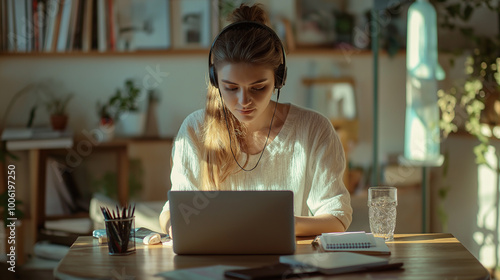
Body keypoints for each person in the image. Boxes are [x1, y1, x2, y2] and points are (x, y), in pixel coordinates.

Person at [160, 3, 352, 237]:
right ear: (214, 80)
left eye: (258, 87)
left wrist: (282, 223)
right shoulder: (194, 129)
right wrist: (174, 227)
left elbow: (337, 216)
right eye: (230, 88)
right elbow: (173, 212)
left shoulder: (314, 129)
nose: (244, 101)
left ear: (278, 80)